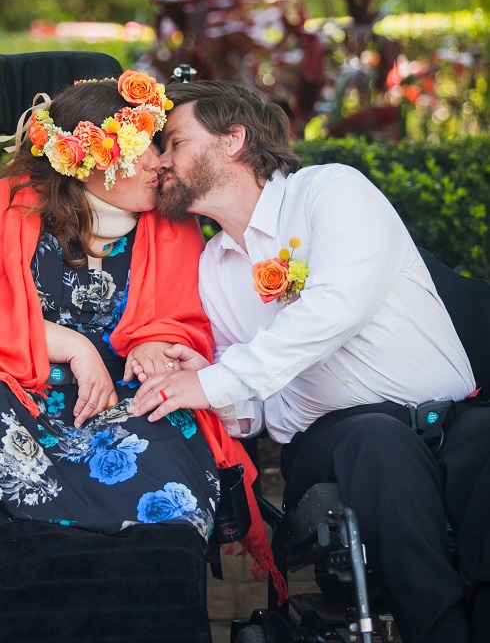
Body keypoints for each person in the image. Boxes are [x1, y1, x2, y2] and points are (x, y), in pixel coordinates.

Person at [0, 71, 276, 643]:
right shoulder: (11, 206)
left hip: (123, 395)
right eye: (146, 151)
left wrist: (159, 342)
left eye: (165, 147)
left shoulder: (171, 222)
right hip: (8, 389)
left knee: (168, 418)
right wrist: (71, 344)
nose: (162, 163)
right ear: (89, 159)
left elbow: (186, 317)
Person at [131, 79, 490, 643]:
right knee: (376, 441)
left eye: (174, 141)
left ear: (233, 139)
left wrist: (222, 380)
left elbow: (336, 307)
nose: (161, 161)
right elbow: (252, 406)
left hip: (456, 418)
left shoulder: (331, 191)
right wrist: (207, 387)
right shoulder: (213, 268)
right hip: (335, 442)